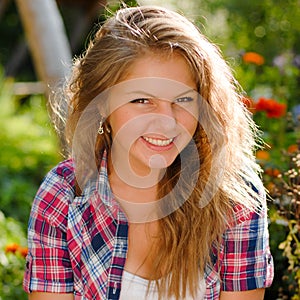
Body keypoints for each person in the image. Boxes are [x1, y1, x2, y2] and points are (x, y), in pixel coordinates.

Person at [23, 5, 274, 300]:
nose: (167, 121)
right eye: (142, 100)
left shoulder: (234, 195)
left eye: (183, 99)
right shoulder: (63, 197)